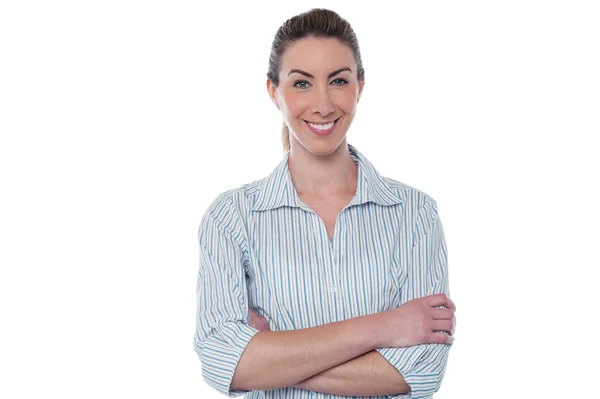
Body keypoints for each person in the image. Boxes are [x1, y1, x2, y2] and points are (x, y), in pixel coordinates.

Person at [193, 8, 457, 399]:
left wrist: (271, 357)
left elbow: (420, 372)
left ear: (360, 86)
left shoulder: (414, 214)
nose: (323, 104)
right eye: (301, 83)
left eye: (338, 81)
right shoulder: (232, 218)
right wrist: (384, 327)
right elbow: (222, 361)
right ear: (273, 91)